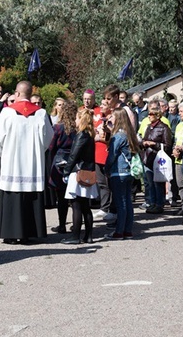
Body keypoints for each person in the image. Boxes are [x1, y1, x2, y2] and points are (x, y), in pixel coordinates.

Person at [0, 81, 54, 244]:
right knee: (31, 195)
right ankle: (29, 233)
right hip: (33, 165)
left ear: (17, 94)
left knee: (12, 194)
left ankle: (11, 234)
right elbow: (48, 138)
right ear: (30, 93)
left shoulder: (7, 113)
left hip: (12, 162)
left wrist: (5, 153)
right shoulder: (40, 113)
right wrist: (38, 152)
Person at [61, 108, 99, 244]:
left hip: (79, 172)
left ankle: (75, 235)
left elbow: (74, 155)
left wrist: (66, 171)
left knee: (76, 205)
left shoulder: (82, 135)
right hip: (87, 171)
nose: (75, 121)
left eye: (77, 118)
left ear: (81, 119)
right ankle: (88, 235)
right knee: (85, 206)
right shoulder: (90, 134)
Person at [104, 109, 140, 239]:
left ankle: (119, 231)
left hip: (118, 172)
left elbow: (112, 156)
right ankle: (127, 230)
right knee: (127, 202)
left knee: (121, 202)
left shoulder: (118, 136)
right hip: (128, 171)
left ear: (118, 118)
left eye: (112, 116)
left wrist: (106, 169)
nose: (110, 118)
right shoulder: (129, 134)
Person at [48, 100, 78, 234]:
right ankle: (76, 225)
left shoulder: (58, 127)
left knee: (61, 197)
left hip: (60, 159)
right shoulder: (79, 128)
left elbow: (51, 146)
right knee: (75, 196)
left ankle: (62, 225)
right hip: (75, 160)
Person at [139, 103, 172, 213]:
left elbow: (168, 145)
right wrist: (143, 143)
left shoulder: (164, 128)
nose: (149, 116)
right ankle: (152, 203)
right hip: (147, 157)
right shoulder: (149, 127)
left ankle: (159, 204)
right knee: (150, 183)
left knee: (158, 182)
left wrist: (154, 144)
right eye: (148, 114)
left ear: (158, 115)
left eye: (151, 114)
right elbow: (144, 139)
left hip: (157, 159)